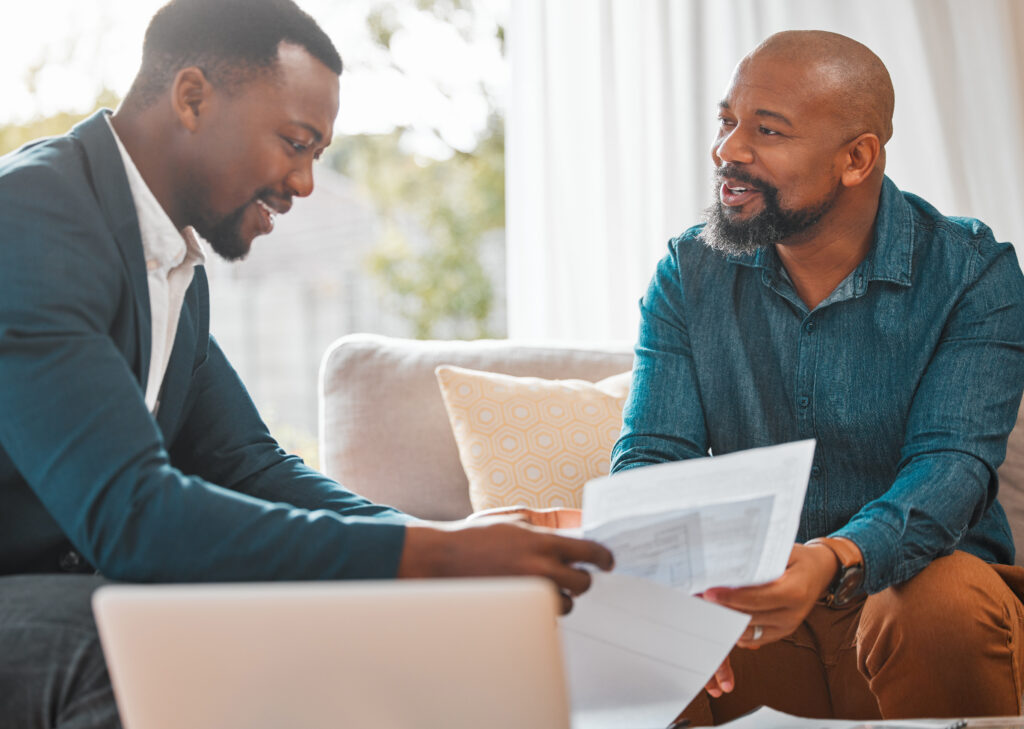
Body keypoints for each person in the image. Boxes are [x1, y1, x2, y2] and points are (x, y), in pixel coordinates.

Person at [0, 1, 612, 726]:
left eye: (318, 154)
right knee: (135, 648)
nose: (306, 183)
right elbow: (136, 517)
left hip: (51, 581)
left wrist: (449, 542)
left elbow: (252, 464)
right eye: (296, 143)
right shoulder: (32, 220)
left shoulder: (167, 260)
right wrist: (429, 558)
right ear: (192, 98)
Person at [612, 29, 1024, 723]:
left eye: (767, 130)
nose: (728, 151)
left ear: (856, 158)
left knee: (938, 603)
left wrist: (834, 558)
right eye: (727, 121)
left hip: (917, 605)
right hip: (754, 622)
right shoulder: (689, 272)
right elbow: (654, 457)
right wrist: (670, 582)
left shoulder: (973, 274)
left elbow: (952, 468)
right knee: (635, 623)